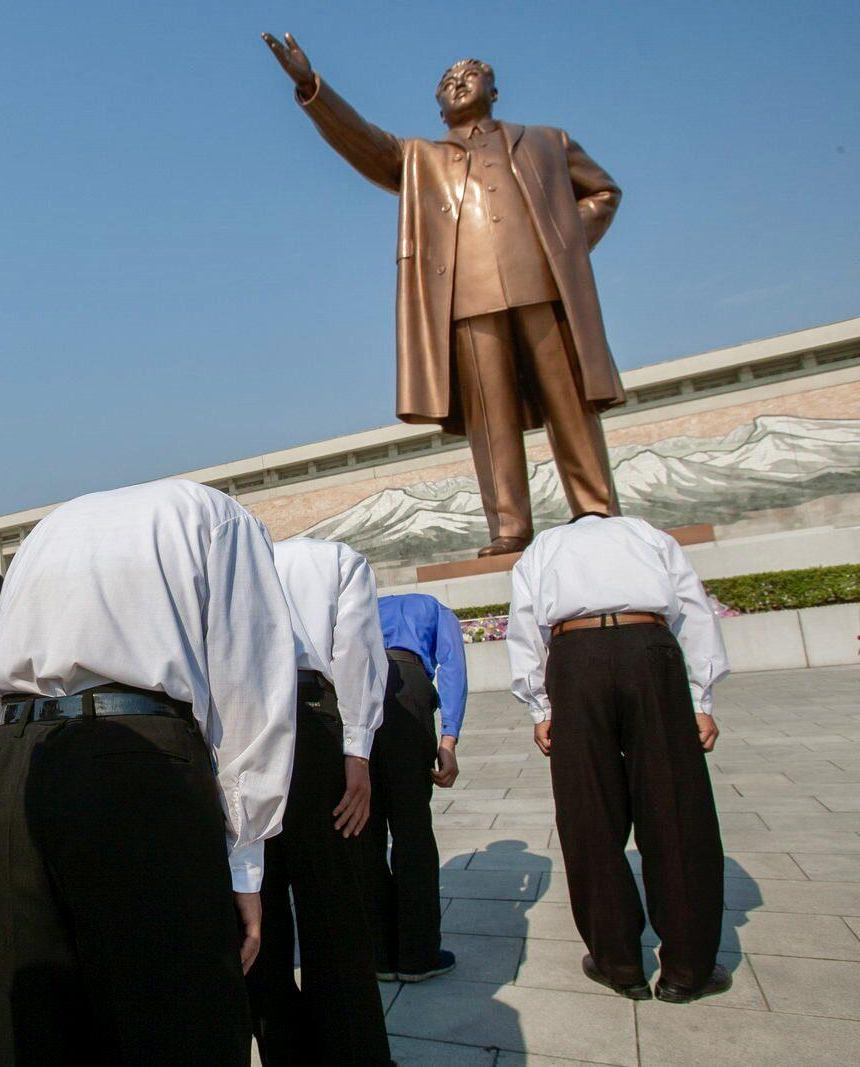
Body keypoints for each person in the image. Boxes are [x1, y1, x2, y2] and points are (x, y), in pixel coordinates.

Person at [0, 479, 297, 1064]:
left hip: (20, 755)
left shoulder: (48, 530)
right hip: (139, 758)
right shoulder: (214, 515)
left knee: (33, 1020)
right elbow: (249, 686)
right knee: (174, 1011)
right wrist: (245, 867)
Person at [263, 35, 624, 556]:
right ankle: (509, 528)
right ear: (437, 106)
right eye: (447, 83)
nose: (457, 84)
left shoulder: (547, 141)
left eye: (468, 76)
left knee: (569, 402)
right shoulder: (419, 159)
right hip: (466, 296)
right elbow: (361, 141)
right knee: (490, 417)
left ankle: (596, 510)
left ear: (494, 91)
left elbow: (603, 192)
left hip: (542, 286)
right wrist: (311, 86)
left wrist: (564, 243)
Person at [507, 513, 730, 1002]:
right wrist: (700, 700)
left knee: (588, 810)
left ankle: (618, 963)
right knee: (675, 805)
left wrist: (540, 707)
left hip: (574, 654)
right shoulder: (646, 533)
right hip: (648, 647)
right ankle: (686, 971)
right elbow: (692, 608)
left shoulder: (545, 543)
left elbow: (524, 623)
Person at [247, 538, 389, 1065]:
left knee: (257, 904)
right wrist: (358, 752)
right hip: (313, 727)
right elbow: (355, 648)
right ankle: (355, 1051)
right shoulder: (331, 557)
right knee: (335, 907)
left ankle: (286, 1052)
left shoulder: (229, 560)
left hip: (244, 729)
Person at [361, 592, 469, 982]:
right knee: (412, 831)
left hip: (359, 689)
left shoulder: (362, 604)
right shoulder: (433, 607)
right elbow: (452, 667)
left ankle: (378, 953)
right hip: (409, 688)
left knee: (363, 827)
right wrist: (449, 740)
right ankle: (417, 954)